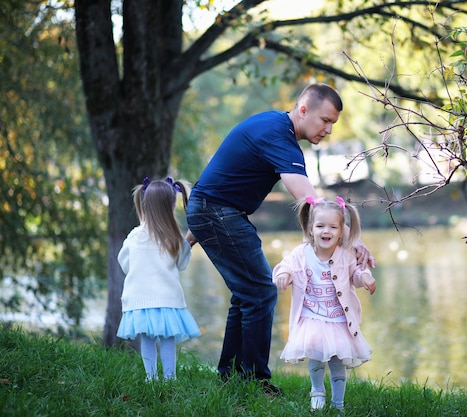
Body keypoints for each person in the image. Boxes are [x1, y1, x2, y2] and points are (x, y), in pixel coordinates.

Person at [185, 83, 375, 395]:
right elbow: (310, 203)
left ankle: (231, 377)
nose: (328, 130)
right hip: (218, 213)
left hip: (214, 211)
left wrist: (197, 228)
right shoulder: (279, 138)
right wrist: (349, 240)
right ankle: (255, 381)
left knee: (247, 294)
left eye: (333, 124)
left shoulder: (273, 126)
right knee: (260, 291)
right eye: (325, 120)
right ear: (303, 110)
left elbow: (224, 176)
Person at [273, 196, 376, 411]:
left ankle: (338, 404)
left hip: (338, 319)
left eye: (332, 227)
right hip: (312, 318)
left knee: (338, 362)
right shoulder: (301, 254)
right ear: (311, 228)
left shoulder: (346, 255)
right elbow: (285, 266)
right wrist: (283, 275)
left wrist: (364, 277)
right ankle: (317, 391)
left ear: (342, 232)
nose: (325, 231)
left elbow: (355, 274)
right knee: (317, 358)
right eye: (320, 226)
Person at [117, 176, 201, 381]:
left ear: (145, 205)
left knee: (146, 338)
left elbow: (124, 264)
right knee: (167, 339)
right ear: (170, 206)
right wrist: (189, 243)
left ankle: (151, 378)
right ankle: (170, 378)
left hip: (140, 299)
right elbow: (181, 264)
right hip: (167, 299)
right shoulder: (174, 238)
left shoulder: (134, 236)